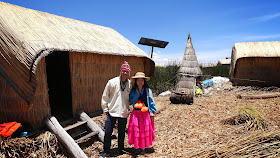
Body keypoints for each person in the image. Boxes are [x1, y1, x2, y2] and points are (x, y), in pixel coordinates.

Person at [100, 61, 132, 157]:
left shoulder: (130, 84)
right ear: (120, 71)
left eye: (127, 72)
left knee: (121, 132)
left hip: (123, 111)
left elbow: (132, 96)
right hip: (112, 111)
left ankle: (120, 149)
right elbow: (105, 95)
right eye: (124, 71)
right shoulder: (112, 82)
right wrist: (105, 108)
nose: (125, 73)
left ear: (129, 73)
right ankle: (106, 151)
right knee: (108, 132)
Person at [128, 72, 156, 155]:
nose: (140, 82)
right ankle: (137, 147)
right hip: (136, 114)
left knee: (144, 130)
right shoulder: (133, 92)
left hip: (145, 113)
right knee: (137, 130)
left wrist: (152, 112)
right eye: (138, 80)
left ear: (144, 81)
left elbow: (151, 102)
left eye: (142, 80)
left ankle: (143, 147)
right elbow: (129, 101)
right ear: (136, 81)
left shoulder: (148, 91)